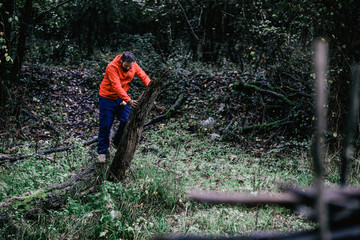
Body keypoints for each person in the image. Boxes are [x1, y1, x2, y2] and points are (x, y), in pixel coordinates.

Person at [97, 52, 151, 163]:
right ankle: (102, 154)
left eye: (129, 66)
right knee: (106, 125)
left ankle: (116, 141)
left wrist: (151, 87)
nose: (127, 68)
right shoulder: (112, 67)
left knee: (126, 120)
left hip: (122, 98)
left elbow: (143, 76)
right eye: (125, 66)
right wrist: (128, 100)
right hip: (107, 98)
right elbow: (116, 85)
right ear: (121, 61)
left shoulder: (133, 65)